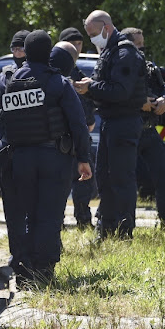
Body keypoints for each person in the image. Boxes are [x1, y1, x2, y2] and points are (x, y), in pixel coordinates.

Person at [0, 30, 92, 283]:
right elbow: (78, 124)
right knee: (48, 215)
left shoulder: (8, 81)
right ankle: (44, 271)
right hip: (55, 159)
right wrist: (83, 159)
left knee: (21, 214)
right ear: (49, 52)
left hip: (19, 160)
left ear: (25, 51)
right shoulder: (59, 84)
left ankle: (23, 270)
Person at [74, 10, 148, 240]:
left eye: (94, 34)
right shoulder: (110, 52)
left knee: (121, 178)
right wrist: (90, 86)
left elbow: (121, 91)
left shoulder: (125, 53)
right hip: (110, 122)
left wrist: (91, 88)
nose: (93, 39)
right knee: (105, 177)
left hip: (124, 122)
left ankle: (125, 232)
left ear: (106, 27)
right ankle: (106, 228)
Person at [121, 27, 165, 227]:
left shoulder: (149, 68)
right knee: (124, 182)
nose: (141, 50)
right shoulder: (120, 67)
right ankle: (123, 226)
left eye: (143, 45)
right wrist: (140, 102)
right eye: (138, 45)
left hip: (149, 131)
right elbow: (114, 97)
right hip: (128, 130)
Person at [0, 30, 30, 272]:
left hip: (32, 153)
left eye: (22, 48)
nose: (17, 54)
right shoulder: (6, 76)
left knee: (34, 211)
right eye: (14, 49)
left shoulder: (47, 75)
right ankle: (19, 258)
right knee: (14, 211)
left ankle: (35, 260)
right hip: (11, 154)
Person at [59, 27, 98, 228]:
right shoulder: (58, 72)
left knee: (84, 183)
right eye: (72, 43)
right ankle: (58, 222)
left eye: (80, 43)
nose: (77, 47)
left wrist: (89, 120)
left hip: (80, 136)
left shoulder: (80, 74)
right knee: (59, 185)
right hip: (61, 138)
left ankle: (83, 220)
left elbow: (88, 102)